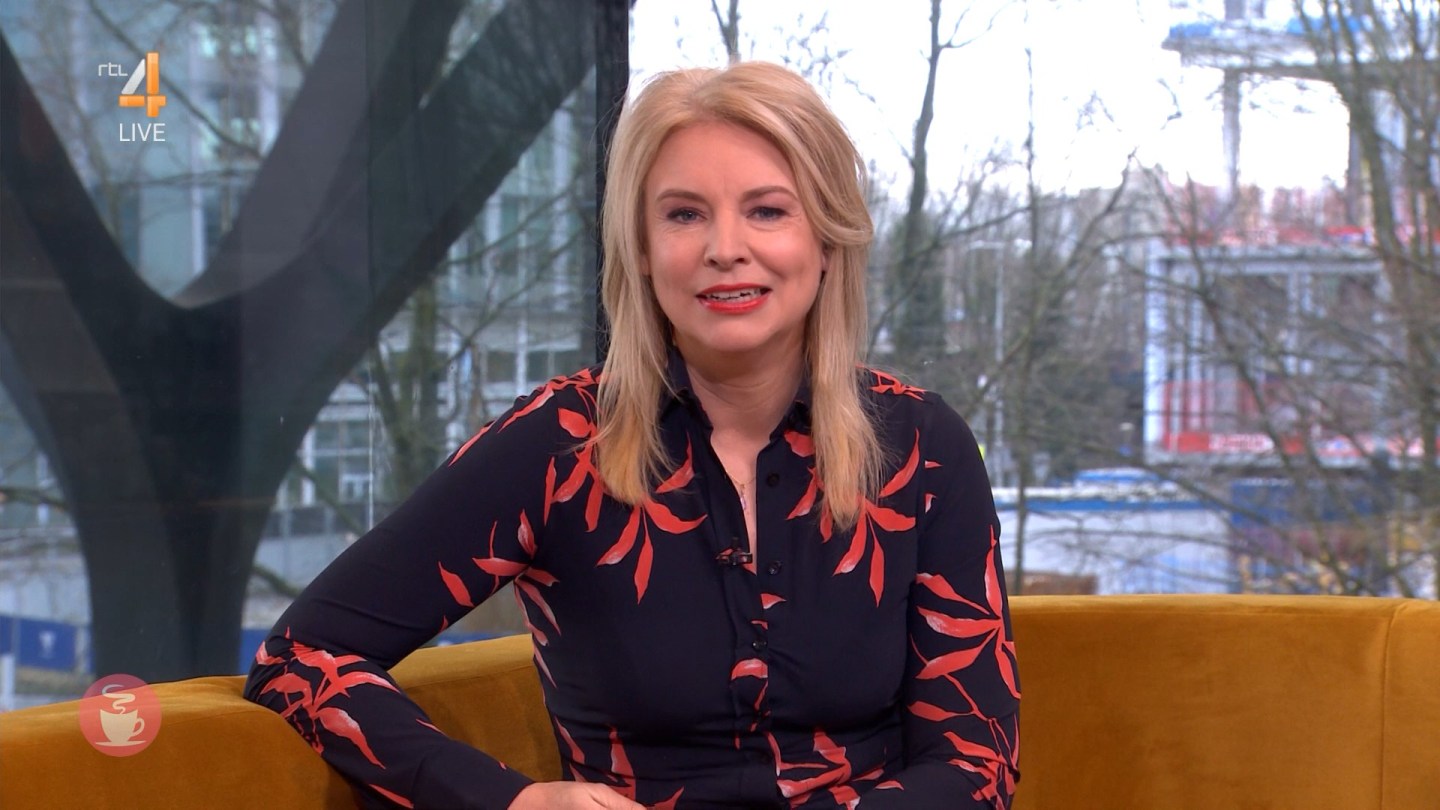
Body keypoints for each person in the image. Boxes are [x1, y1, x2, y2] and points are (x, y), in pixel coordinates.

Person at [244, 60, 1019, 809]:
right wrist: (510, 800)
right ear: (642, 249)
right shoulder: (556, 445)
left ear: (827, 239)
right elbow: (301, 657)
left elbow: (975, 763)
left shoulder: (923, 448)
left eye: (766, 210)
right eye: (684, 214)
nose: (724, 247)